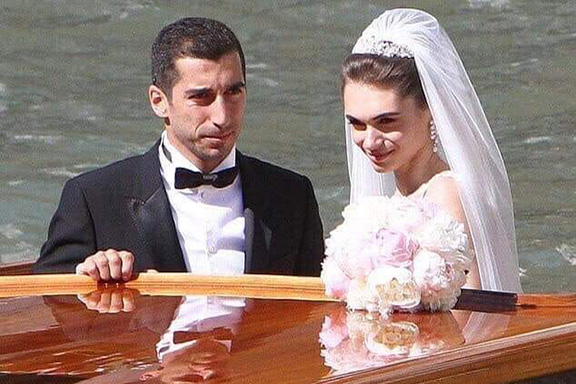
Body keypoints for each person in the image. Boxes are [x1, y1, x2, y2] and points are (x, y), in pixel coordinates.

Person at [33, 17, 324, 281]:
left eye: (233, 92)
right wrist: (86, 275)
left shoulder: (293, 195)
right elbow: (47, 298)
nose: (222, 116)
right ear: (159, 101)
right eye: (201, 97)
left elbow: (316, 313)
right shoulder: (93, 198)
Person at [340, 9, 521, 292]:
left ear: (430, 111)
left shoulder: (448, 196)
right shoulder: (395, 198)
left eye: (386, 121)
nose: (370, 141)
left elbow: (474, 316)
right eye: (357, 124)